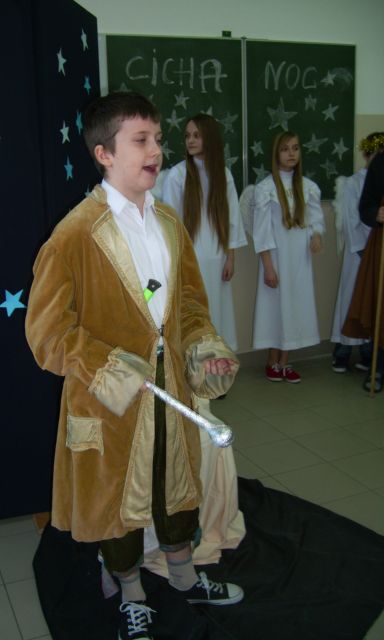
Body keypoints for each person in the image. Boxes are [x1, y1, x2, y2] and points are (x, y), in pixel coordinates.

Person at [25, 92, 243, 640]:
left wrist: (203, 346)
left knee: (176, 486)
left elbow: (188, 303)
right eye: (140, 140)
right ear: (104, 153)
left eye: (158, 139)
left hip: (172, 393)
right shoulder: (74, 235)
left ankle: (184, 574)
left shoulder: (168, 222)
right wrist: (108, 367)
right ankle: (130, 592)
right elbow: (47, 333)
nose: (156, 151)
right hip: (110, 402)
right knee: (117, 502)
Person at [161, 114, 247, 353]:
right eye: (187, 136)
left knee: (216, 312)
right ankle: (192, 367)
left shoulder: (223, 175)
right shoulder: (177, 175)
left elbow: (231, 218)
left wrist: (230, 257)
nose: (190, 140)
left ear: (209, 138)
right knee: (193, 313)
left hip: (217, 256)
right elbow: (171, 224)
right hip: (190, 258)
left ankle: (215, 365)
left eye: (196, 135)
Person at [251, 131, 325, 382]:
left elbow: (315, 220)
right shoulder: (265, 189)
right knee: (276, 309)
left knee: (294, 307)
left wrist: (316, 235)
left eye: (295, 148)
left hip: (299, 262)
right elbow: (262, 232)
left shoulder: (308, 187)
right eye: (285, 149)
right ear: (276, 154)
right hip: (276, 259)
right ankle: (272, 362)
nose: (291, 153)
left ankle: (285, 362)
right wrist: (268, 266)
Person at [330, 135, 384, 373]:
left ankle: (367, 352)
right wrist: (363, 252)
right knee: (351, 300)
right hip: (359, 254)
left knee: (370, 304)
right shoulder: (352, 183)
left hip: (377, 254)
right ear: (367, 154)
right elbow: (351, 220)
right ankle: (342, 352)